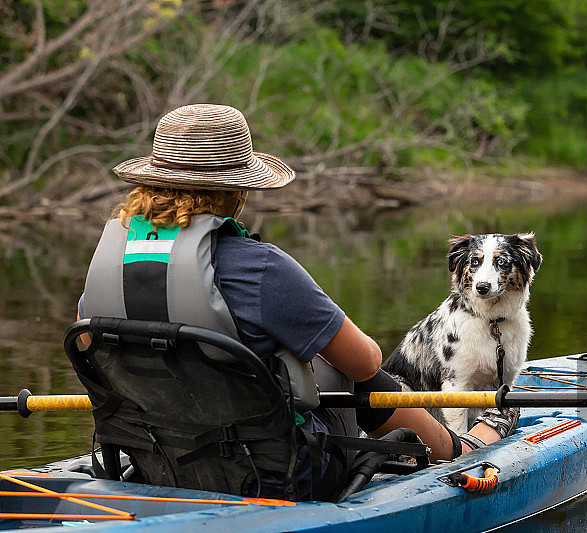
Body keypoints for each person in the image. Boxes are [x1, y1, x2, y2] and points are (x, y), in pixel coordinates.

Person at [77, 103, 517, 500]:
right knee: (355, 375)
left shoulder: (108, 261)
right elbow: (365, 360)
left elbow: (89, 350)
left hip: (156, 462)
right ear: (237, 192)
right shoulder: (261, 267)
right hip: (279, 474)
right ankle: (457, 449)